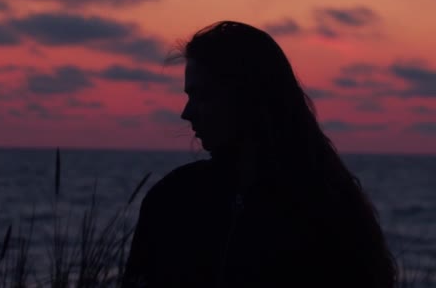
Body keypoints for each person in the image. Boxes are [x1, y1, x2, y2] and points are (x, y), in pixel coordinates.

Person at [122, 21, 397, 287]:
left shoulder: (326, 208)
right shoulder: (174, 197)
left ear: (247, 97)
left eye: (202, 96)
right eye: (189, 96)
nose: (187, 112)